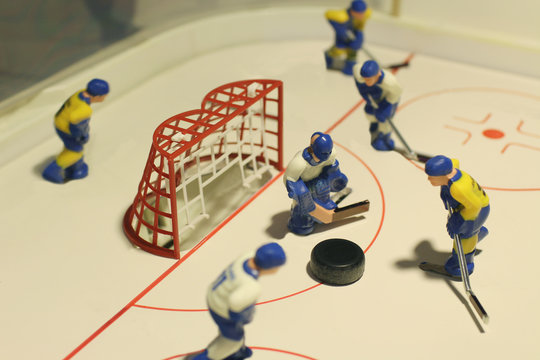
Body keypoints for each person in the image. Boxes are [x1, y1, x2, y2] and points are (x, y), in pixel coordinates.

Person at [193, 243, 286, 360]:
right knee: (233, 339)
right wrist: (246, 316)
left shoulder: (246, 257)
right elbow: (235, 304)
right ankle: (208, 357)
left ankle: (236, 350)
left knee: (236, 332)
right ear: (270, 267)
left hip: (214, 292)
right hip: (220, 308)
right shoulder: (252, 286)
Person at [425, 155, 490, 277]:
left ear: (444, 175)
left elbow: (475, 206)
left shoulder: (458, 189)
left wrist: (460, 221)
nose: (429, 179)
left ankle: (464, 265)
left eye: (432, 176)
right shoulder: (451, 169)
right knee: (465, 231)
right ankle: (478, 232)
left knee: (463, 236)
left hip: (477, 210)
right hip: (468, 205)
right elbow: (454, 161)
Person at [42, 79, 109, 183]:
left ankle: (76, 168)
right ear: (97, 97)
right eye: (104, 96)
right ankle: (52, 170)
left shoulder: (80, 93)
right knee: (75, 151)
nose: (105, 98)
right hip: (66, 129)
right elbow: (77, 125)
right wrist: (82, 136)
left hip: (59, 121)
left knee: (70, 148)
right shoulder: (85, 110)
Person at [283, 132, 348, 235]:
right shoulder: (299, 163)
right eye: (320, 156)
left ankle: (325, 203)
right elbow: (289, 179)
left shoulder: (331, 154)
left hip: (319, 183)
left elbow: (331, 167)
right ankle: (300, 219)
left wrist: (336, 176)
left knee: (322, 188)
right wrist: (300, 193)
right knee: (302, 219)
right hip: (304, 186)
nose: (323, 159)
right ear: (311, 149)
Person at [353, 60, 402, 151]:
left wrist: (387, 104)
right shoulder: (359, 74)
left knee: (384, 119)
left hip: (388, 100)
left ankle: (384, 138)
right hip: (373, 100)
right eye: (365, 79)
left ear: (378, 74)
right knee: (369, 113)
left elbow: (397, 92)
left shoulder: (389, 81)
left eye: (369, 79)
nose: (366, 81)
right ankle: (375, 124)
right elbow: (355, 68)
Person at [324, 0, 371, 75]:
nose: (362, 16)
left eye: (363, 13)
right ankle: (329, 56)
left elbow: (360, 27)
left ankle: (350, 68)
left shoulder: (366, 14)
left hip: (355, 32)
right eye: (359, 14)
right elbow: (327, 14)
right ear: (352, 11)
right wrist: (340, 30)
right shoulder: (342, 16)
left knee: (354, 48)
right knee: (339, 50)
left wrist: (359, 36)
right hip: (343, 37)